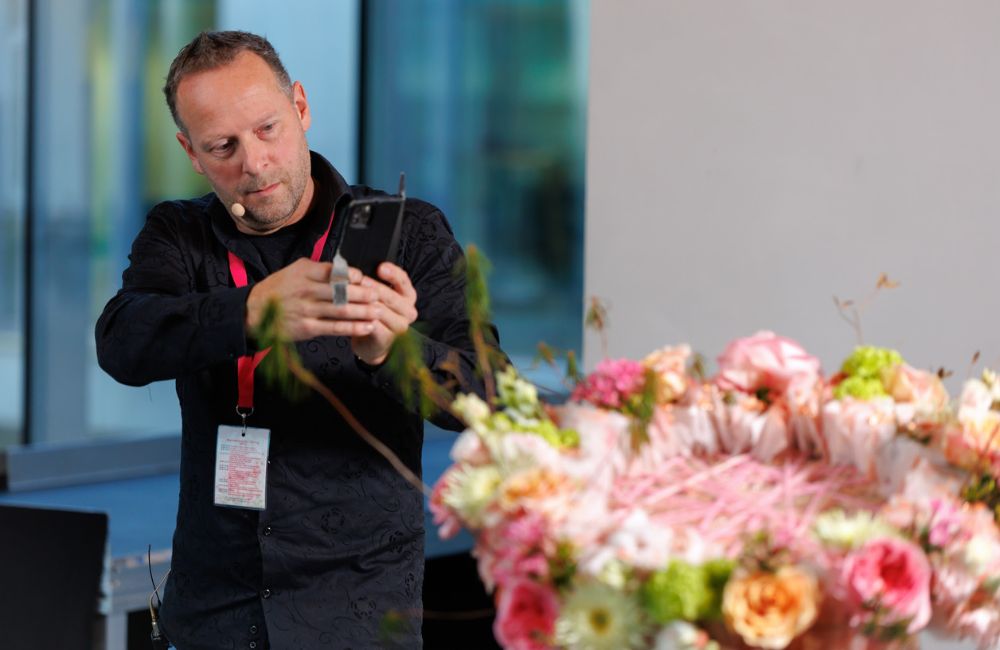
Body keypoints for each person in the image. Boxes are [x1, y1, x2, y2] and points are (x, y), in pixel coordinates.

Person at [95, 30, 500, 649]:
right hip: (212, 614)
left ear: (301, 108)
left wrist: (392, 353)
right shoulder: (178, 234)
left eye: (267, 130)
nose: (252, 164)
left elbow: (489, 393)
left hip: (358, 616)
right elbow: (122, 343)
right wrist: (252, 311)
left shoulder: (409, 232)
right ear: (190, 152)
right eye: (221, 146)